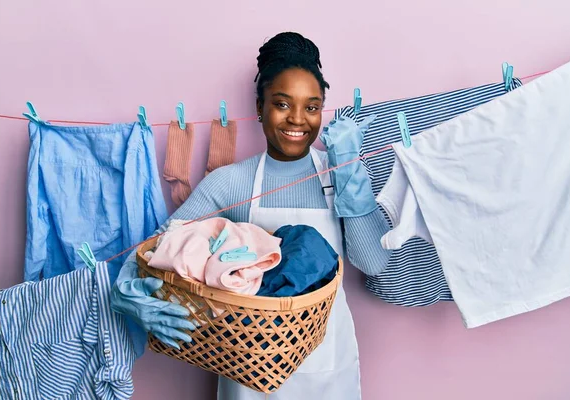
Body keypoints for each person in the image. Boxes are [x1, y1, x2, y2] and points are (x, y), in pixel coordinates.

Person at [111, 31, 392, 400]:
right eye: (282, 103)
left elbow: (374, 262)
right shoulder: (231, 182)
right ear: (259, 108)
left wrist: (351, 177)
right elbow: (160, 246)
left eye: (312, 106)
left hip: (327, 366)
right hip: (246, 372)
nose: (298, 119)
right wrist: (125, 292)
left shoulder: (339, 172)